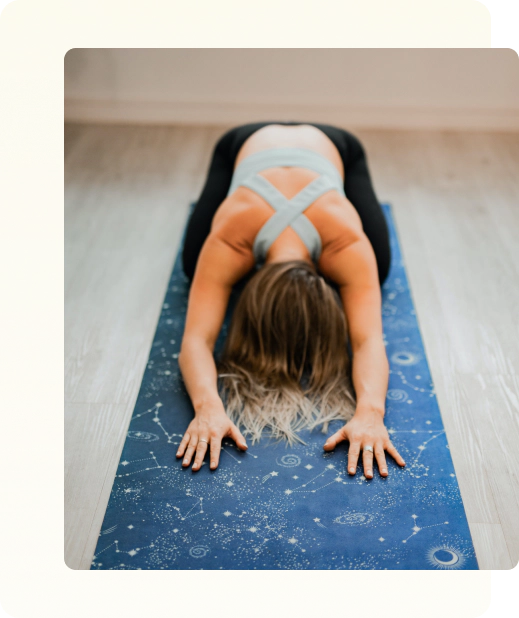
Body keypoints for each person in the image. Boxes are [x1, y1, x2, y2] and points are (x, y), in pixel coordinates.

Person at [176, 121, 406, 480]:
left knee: (380, 266)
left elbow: (367, 342)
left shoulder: (345, 242)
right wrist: (207, 407)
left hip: (333, 149)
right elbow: (195, 341)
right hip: (243, 144)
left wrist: (370, 413)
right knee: (192, 265)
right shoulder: (230, 239)